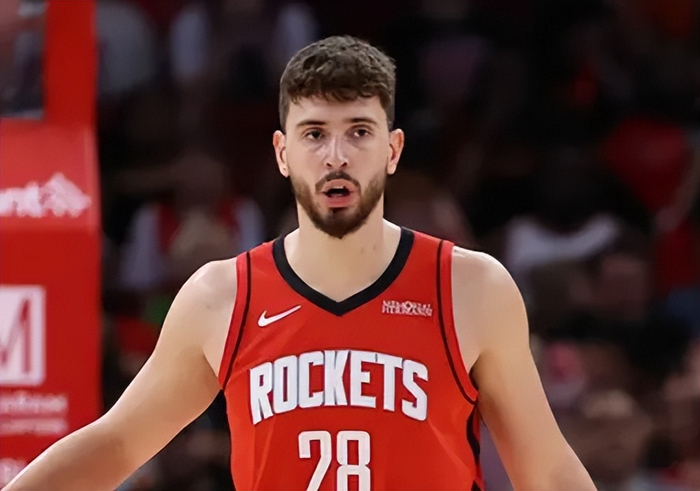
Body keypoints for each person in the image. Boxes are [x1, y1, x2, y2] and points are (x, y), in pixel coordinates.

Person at [4, 36, 596, 491]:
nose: (336, 156)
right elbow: (116, 443)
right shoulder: (222, 296)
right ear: (282, 153)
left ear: (392, 150)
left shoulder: (470, 286)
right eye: (314, 134)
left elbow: (546, 471)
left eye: (359, 132)